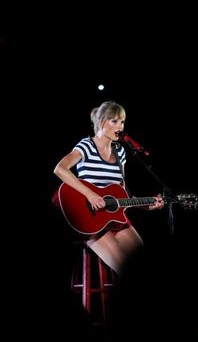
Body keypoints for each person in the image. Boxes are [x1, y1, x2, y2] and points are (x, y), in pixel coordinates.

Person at [53, 100, 164, 275]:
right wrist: (90, 195)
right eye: (114, 121)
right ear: (101, 122)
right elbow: (60, 169)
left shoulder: (120, 152)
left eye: (122, 121)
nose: (120, 126)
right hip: (90, 219)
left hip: (114, 219)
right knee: (125, 268)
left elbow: (122, 196)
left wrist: (146, 204)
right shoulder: (86, 146)